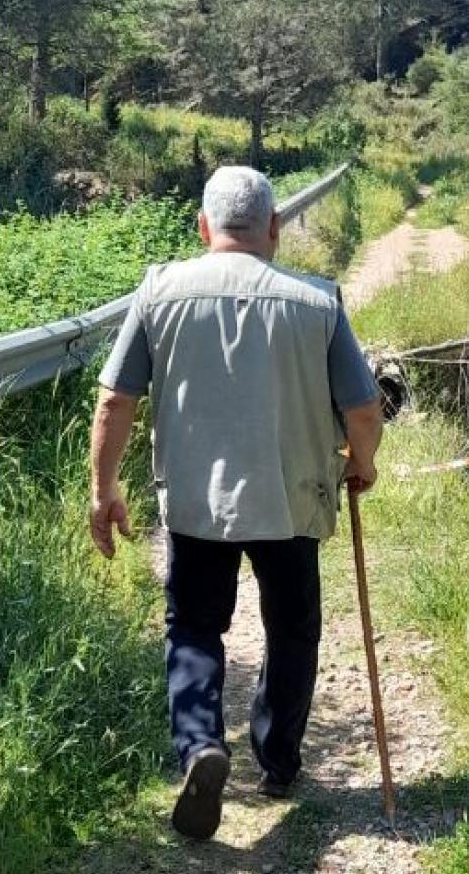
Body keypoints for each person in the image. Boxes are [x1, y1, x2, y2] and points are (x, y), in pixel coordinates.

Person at [89, 166, 384, 841]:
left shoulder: (160, 291)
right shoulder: (316, 301)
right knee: (292, 631)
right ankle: (278, 761)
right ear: (274, 228)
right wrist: (360, 465)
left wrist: (102, 492)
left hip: (196, 502)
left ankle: (200, 746)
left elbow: (116, 400)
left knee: (194, 626)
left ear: (203, 228)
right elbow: (363, 408)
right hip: (291, 499)